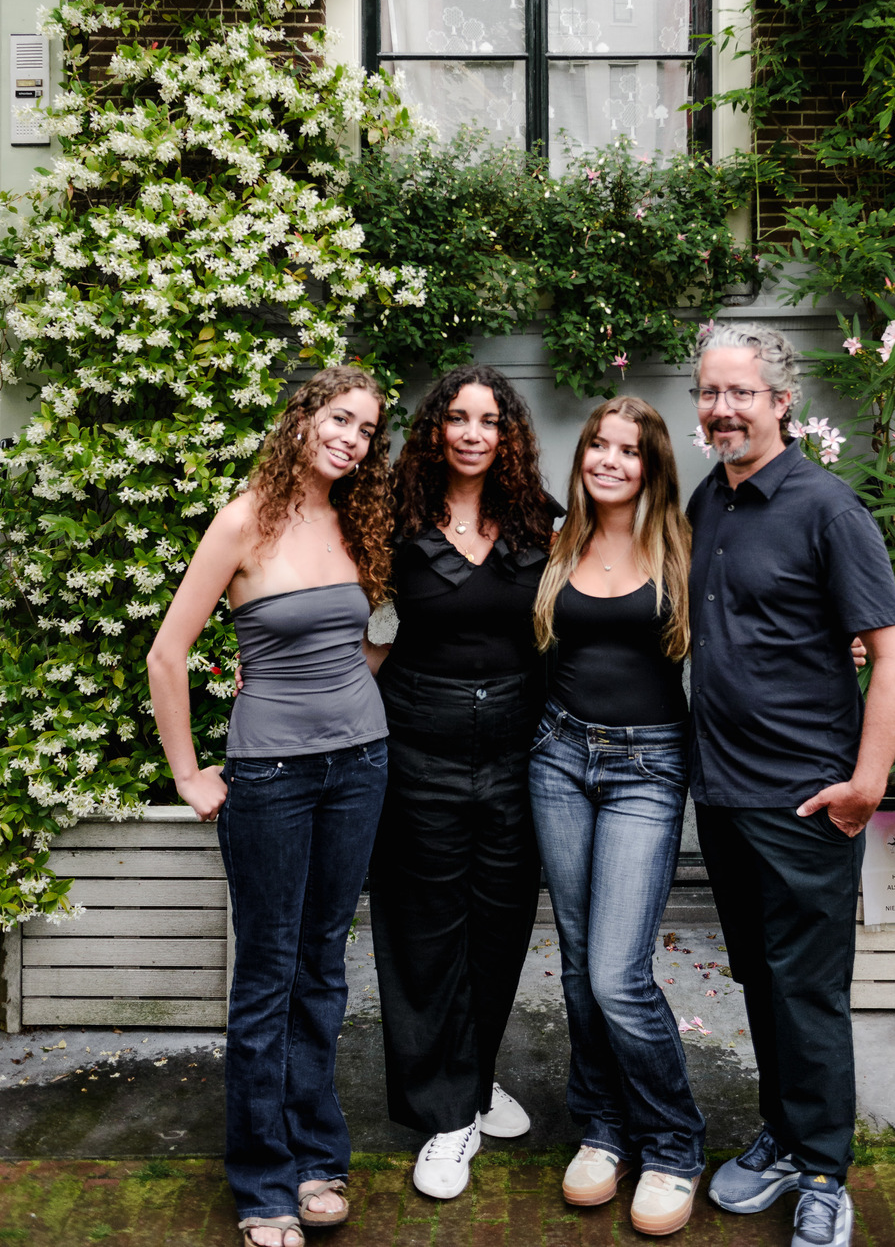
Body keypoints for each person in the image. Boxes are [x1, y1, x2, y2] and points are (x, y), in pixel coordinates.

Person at [147, 367, 394, 1247]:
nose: (351, 439)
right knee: (268, 977)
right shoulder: (245, 517)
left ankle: (320, 1157)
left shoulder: (357, 520)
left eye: (366, 429)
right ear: (302, 420)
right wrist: (188, 774)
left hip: (361, 765)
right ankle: (263, 1185)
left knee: (324, 968)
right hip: (274, 778)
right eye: (339, 419)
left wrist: (349, 698)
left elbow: (368, 640)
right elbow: (166, 655)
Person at [686, 324, 895, 1247]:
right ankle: (784, 1137)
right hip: (727, 794)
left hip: (808, 799)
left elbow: (893, 657)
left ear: (782, 401)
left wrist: (867, 783)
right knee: (761, 979)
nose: (722, 409)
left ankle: (824, 1170)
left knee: (809, 991)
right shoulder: (709, 502)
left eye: (741, 392)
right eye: (709, 392)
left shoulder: (828, 509)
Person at [366, 366, 559, 1200]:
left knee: (499, 924)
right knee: (424, 932)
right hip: (420, 750)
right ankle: (446, 1116)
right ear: (436, 430)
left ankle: (471, 1079)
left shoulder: (542, 523)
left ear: (509, 434)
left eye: (489, 420)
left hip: (517, 754)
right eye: (458, 418)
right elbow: (359, 630)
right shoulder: (394, 520)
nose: (473, 433)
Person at [530, 397, 706, 1237]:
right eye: (598, 444)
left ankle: (671, 1143)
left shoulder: (681, 544)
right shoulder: (556, 538)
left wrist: (844, 641)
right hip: (558, 756)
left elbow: (754, 620)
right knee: (574, 964)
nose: (608, 459)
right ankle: (602, 1131)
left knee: (615, 974)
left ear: (651, 466)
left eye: (627, 450)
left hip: (648, 766)